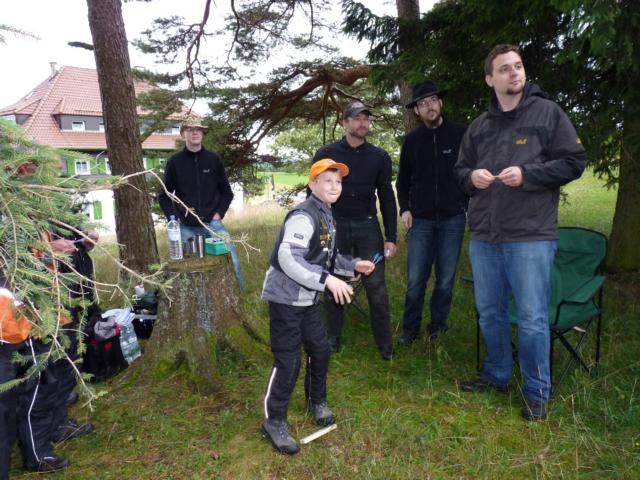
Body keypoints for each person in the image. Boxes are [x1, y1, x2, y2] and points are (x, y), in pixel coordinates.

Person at [455, 44, 586, 421]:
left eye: (518, 66)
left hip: (531, 236)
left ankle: (536, 391)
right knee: (489, 313)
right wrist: (472, 177)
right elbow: (460, 172)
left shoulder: (548, 113)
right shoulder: (480, 126)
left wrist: (528, 175)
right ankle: (496, 375)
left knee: (531, 318)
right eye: (505, 68)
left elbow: (575, 162)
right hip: (485, 236)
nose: (514, 73)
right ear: (490, 79)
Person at [261, 159, 375, 455]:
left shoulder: (327, 214)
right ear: (313, 184)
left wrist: (353, 265)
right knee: (289, 362)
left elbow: (325, 258)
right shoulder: (303, 215)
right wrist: (328, 282)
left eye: (338, 182)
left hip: (308, 300)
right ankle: (274, 421)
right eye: (327, 181)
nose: (335, 186)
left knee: (320, 350)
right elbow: (289, 258)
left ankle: (316, 402)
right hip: (286, 300)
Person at [313, 102, 398, 360]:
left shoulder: (379, 157)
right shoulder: (326, 154)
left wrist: (391, 237)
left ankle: (385, 345)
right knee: (334, 284)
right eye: (357, 118)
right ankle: (332, 339)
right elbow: (314, 194)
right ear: (345, 123)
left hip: (367, 226)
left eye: (365, 119)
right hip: (335, 225)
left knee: (377, 288)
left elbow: (387, 197)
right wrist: (316, 229)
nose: (362, 123)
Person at [396, 81, 468, 345]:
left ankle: (438, 327)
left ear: (441, 103)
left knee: (445, 280)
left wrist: (467, 205)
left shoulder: (461, 134)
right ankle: (409, 330)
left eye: (433, 100)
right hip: (422, 220)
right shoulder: (412, 141)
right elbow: (402, 180)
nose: (429, 106)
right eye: (423, 103)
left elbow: (471, 172)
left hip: (453, 218)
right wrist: (405, 208)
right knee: (416, 280)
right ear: (416, 110)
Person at [158, 116, 244, 290]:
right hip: (186, 229)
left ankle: (239, 298)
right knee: (191, 269)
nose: (195, 133)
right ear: (183, 134)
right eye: (190, 130)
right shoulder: (175, 162)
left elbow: (227, 193)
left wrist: (218, 214)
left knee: (232, 260)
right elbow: (164, 195)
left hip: (213, 226)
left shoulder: (213, 160)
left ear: (202, 133)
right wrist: (173, 218)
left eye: (198, 129)